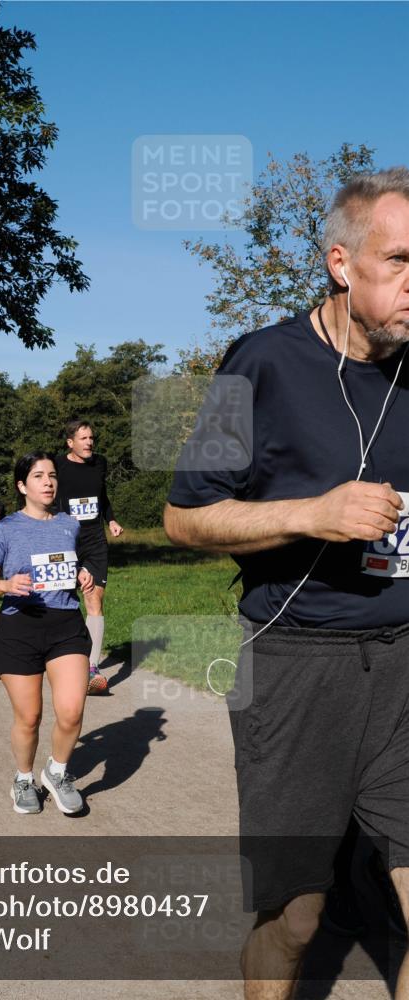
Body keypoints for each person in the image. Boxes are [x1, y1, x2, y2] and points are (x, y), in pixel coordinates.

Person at [163, 168, 409, 1000]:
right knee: (296, 918)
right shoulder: (262, 362)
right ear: (341, 264)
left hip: (406, 666)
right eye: (401, 261)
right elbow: (185, 519)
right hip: (299, 666)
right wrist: (313, 514)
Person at [0, 452, 94, 814]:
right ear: (22, 485)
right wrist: (7, 584)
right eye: (39, 476)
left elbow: (70, 565)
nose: (48, 482)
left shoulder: (69, 524)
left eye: (52, 475)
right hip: (20, 627)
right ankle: (23, 778)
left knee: (71, 712)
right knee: (30, 718)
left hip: (66, 625)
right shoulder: (7, 529)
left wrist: (82, 573)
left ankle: (56, 772)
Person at [55, 420, 123, 694]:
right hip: (64, 539)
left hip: (94, 540)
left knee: (94, 598)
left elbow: (101, 496)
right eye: (83, 438)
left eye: (91, 438)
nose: (89, 443)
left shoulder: (100, 463)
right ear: (70, 442)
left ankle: (91, 668)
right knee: (63, 601)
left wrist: (112, 519)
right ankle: (64, 655)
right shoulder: (57, 465)